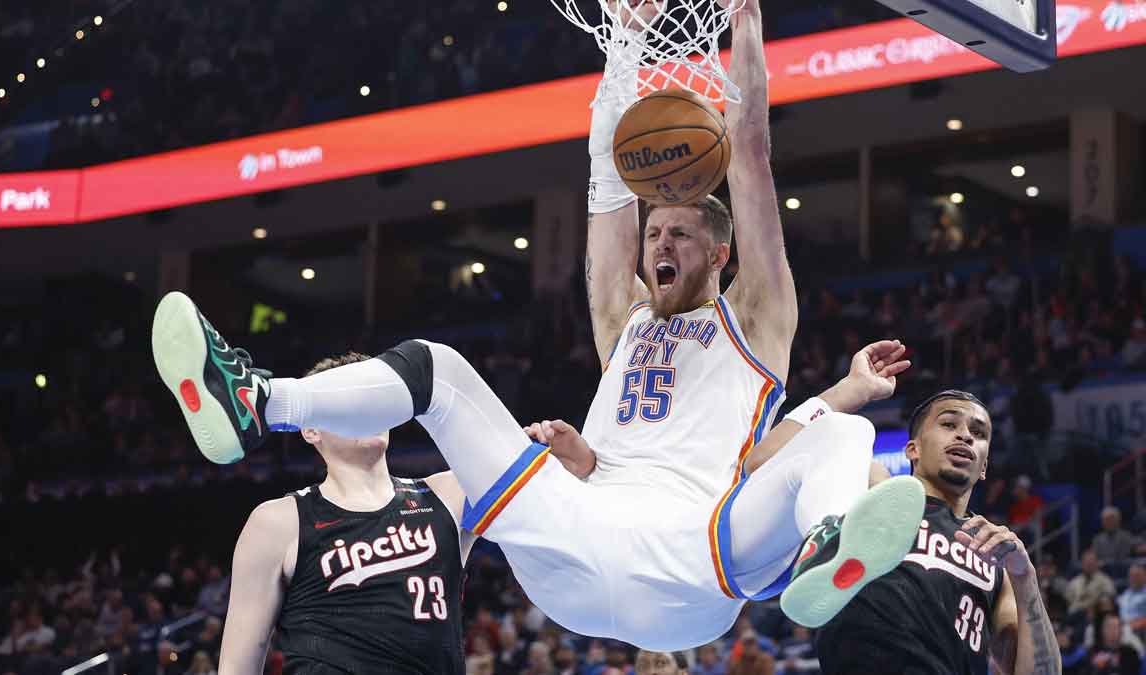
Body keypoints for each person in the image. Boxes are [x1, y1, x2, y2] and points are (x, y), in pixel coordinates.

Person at [151, 1, 925, 649]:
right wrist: (623, 47)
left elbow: (750, 153)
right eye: (653, 232)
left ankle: (829, 544)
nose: (659, 242)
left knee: (845, 434)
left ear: (721, 251)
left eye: (680, 234)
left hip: (699, 551)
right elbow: (603, 189)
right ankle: (258, 401)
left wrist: (746, 20)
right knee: (437, 367)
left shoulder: (757, 317)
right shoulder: (621, 320)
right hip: (575, 538)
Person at [216, 354, 590, 674]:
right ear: (310, 428)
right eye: (346, 404)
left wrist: (558, 449)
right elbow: (237, 666)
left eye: (374, 401)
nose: (366, 413)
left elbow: (567, 482)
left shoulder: (448, 493)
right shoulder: (277, 522)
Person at [814, 390, 1062, 675]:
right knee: (851, 433)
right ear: (913, 449)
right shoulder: (873, 492)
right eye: (948, 424)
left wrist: (1025, 576)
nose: (965, 435)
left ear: (984, 467)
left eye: (978, 432)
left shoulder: (991, 559)